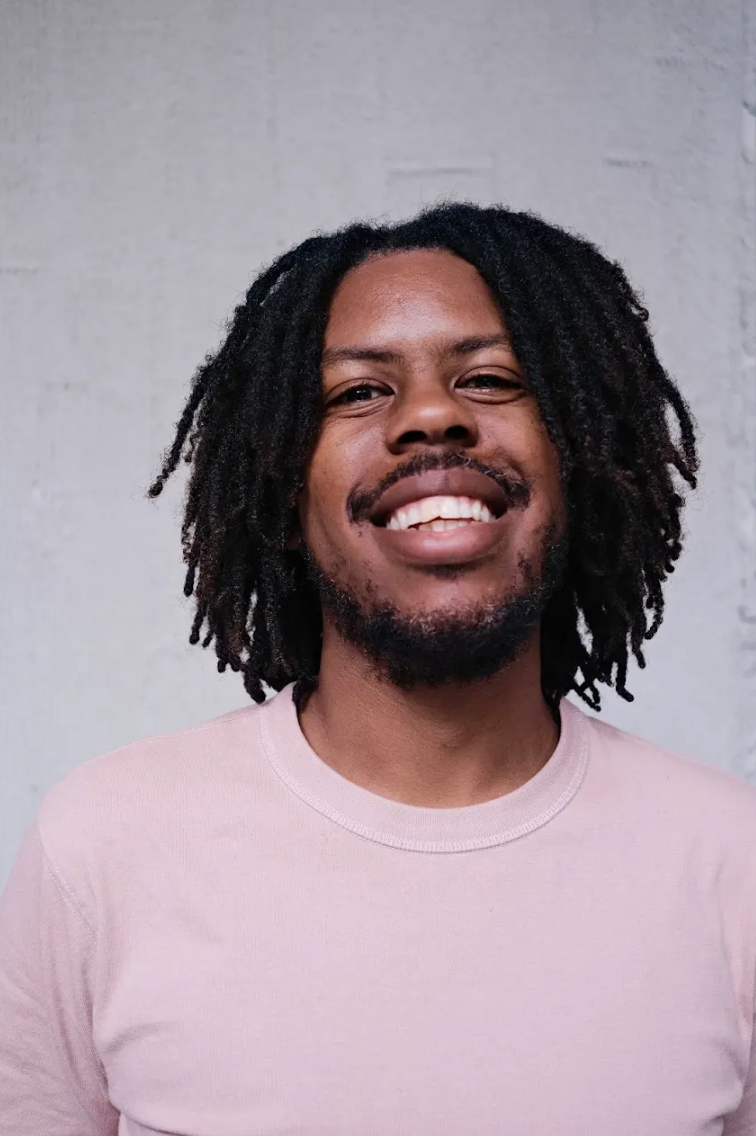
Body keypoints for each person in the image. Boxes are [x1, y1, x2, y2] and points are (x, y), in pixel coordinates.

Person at [1, 201, 754, 1135]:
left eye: (490, 378)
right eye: (356, 393)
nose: (433, 415)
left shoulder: (733, 863)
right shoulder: (103, 849)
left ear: (584, 461)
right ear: (282, 486)